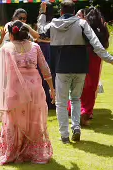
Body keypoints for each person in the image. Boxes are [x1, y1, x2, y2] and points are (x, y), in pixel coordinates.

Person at [41, 0, 113, 144]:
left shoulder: (53, 24)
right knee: (75, 99)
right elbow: (96, 45)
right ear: (74, 12)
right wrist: (110, 59)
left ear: (61, 11)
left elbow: (41, 30)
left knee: (61, 103)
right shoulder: (82, 23)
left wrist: (42, 13)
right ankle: (76, 127)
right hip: (80, 68)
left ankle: (64, 135)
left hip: (61, 69)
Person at [0, 20, 54, 165]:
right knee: (33, 120)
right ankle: (32, 151)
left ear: (12, 33)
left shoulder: (6, 48)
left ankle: (14, 150)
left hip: (15, 89)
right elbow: (45, 70)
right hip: (35, 89)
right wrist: (51, 88)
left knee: (14, 121)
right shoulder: (35, 46)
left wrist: (3, 92)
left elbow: (1, 74)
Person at [80, 7, 110, 125]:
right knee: (92, 85)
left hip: (82, 56)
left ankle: (75, 109)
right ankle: (87, 111)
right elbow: (106, 45)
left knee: (80, 84)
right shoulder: (101, 29)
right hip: (95, 57)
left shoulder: (83, 27)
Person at [37, 2, 55, 110]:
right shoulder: (54, 22)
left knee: (46, 74)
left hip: (46, 49)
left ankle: (48, 100)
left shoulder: (50, 22)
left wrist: (42, 13)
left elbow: (40, 31)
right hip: (48, 49)